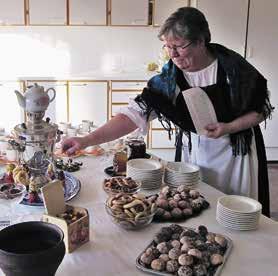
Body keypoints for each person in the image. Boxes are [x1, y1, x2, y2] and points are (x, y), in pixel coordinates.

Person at [62, 7, 274, 216]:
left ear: (201, 41)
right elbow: (132, 115)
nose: (172, 55)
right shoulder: (169, 80)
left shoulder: (233, 69)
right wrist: (86, 140)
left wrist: (229, 127)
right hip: (195, 154)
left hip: (236, 155)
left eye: (179, 46)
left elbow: (260, 110)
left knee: (236, 213)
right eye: (167, 46)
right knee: (197, 207)